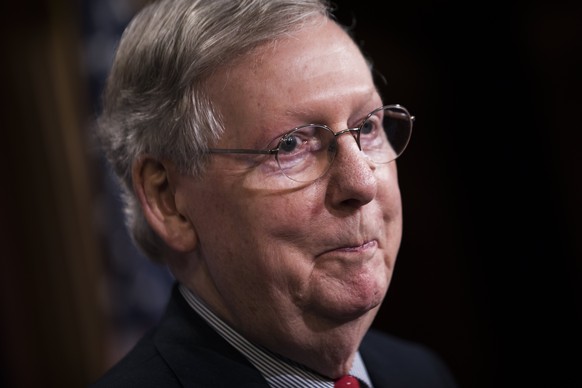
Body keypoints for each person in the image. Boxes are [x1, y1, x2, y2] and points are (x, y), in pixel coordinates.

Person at [90, 0, 458, 387]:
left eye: (367, 128)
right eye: (291, 145)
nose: (361, 184)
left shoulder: (420, 374)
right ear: (169, 201)